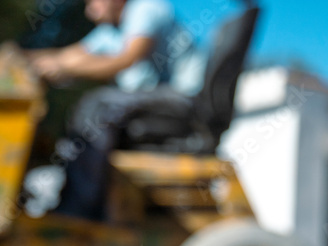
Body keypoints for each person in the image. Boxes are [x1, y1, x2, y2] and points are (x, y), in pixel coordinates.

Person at [26, 0, 205, 220]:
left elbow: (128, 58)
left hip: (183, 100)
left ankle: (78, 210)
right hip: (152, 101)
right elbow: (71, 55)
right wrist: (24, 59)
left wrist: (64, 68)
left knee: (100, 105)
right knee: (98, 104)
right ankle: (87, 201)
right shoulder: (111, 30)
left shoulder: (146, 9)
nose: (89, 11)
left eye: (94, 2)